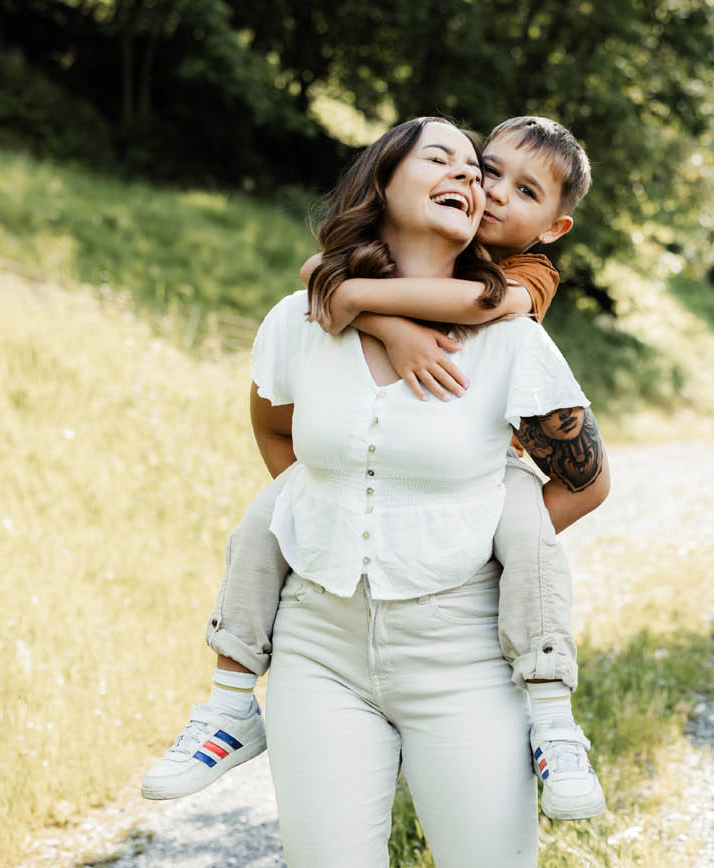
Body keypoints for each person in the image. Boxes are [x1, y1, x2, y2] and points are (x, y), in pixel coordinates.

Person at [142, 116, 608, 819]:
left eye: (525, 191)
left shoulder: (525, 277)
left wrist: (359, 301)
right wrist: (384, 325)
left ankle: (552, 716)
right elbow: (317, 279)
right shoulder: (337, 295)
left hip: (492, 473)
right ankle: (229, 704)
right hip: (334, 611)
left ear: (554, 228)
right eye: (488, 171)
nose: (492, 191)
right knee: (266, 518)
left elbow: (482, 305)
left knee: (525, 534)